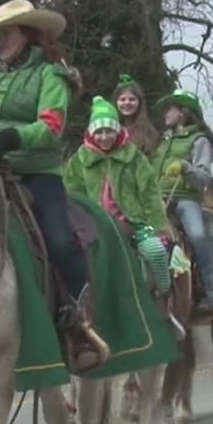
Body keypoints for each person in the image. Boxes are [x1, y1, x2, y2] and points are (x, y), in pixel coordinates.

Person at [0, 0, 109, 372]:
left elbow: (51, 127)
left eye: (6, 33)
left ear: (28, 35)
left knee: (59, 240)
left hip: (38, 174)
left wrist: (11, 138)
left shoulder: (51, 75)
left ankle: (79, 321)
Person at [63, 96, 179, 334]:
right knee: (73, 259)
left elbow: (149, 194)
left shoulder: (134, 157)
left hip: (136, 223)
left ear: (117, 131)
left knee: (155, 251)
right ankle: (79, 311)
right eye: (99, 132)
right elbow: (71, 194)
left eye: (109, 131)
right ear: (91, 133)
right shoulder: (80, 161)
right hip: (94, 226)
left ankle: (164, 298)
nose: (104, 137)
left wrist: (158, 226)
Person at [151, 89, 213, 313]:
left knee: (198, 235)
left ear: (183, 113)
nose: (165, 113)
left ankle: (210, 289)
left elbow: (205, 177)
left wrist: (185, 167)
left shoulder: (199, 141)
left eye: (170, 108)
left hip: (185, 199)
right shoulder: (161, 140)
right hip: (156, 200)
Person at [111, 74, 159, 157]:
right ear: (116, 102)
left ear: (139, 102)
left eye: (132, 99)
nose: (127, 103)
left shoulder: (148, 132)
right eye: (122, 99)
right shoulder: (109, 129)